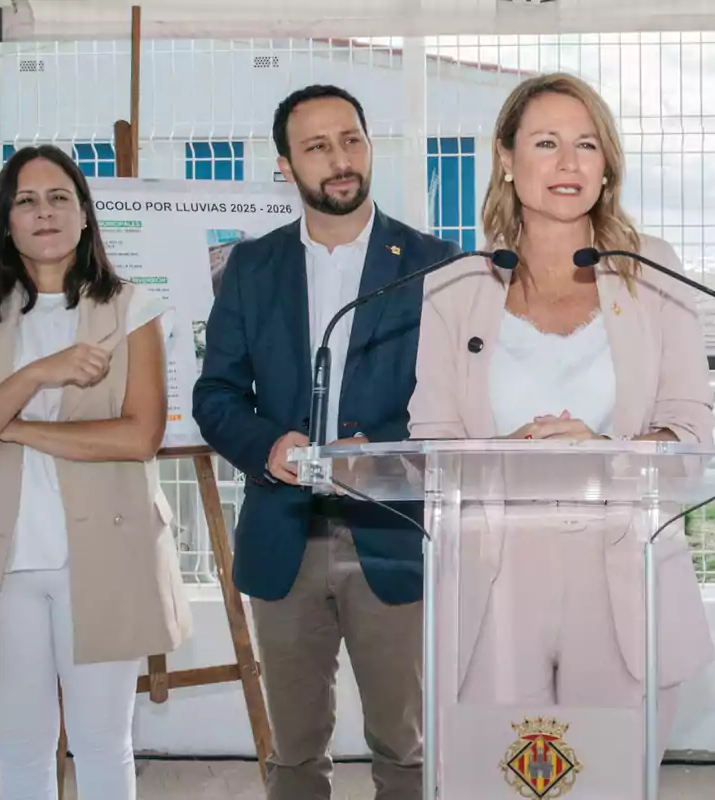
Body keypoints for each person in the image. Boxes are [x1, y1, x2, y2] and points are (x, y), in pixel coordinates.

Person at [407, 72, 715, 757]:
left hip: (623, 569)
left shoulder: (655, 272)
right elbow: (431, 441)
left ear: (607, 166)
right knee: (498, 780)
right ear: (506, 159)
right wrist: (502, 451)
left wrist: (606, 447)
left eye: (586, 144)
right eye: (546, 143)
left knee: (608, 779)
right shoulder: (452, 286)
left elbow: (691, 431)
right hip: (493, 580)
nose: (569, 163)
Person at [191, 85, 461, 800]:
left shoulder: (435, 264)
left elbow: (462, 401)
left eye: (351, 140)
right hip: (285, 536)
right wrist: (268, 444)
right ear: (285, 165)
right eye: (316, 147)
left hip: (392, 533)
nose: (339, 160)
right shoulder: (250, 269)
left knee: (405, 749)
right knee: (296, 752)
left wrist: (385, 446)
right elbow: (214, 396)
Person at [0, 145, 192, 800]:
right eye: (26, 200)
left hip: (104, 554)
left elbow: (139, 436)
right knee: (21, 749)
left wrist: (9, 424)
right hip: (3, 562)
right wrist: (37, 374)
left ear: (83, 215)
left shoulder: (134, 308)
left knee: (104, 744)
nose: (43, 212)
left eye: (58, 197)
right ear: (6, 222)